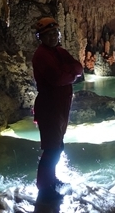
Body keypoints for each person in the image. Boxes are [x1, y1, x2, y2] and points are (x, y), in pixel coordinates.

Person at [31, 17, 83, 200]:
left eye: (55, 33)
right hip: (49, 105)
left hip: (61, 106)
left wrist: (69, 72)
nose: (53, 37)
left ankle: (51, 180)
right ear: (41, 37)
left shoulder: (59, 51)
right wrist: (71, 75)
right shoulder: (41, 55)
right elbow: (57, 78)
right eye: (48, 34)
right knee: (51, 148)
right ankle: (44, 187)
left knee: (57, 146)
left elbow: (79, 67)